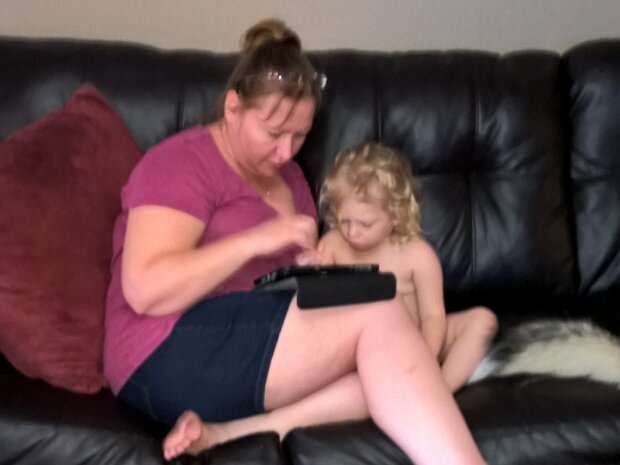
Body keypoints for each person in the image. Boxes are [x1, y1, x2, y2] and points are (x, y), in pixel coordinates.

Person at [103, 17, 491, 465]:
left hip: (249, 343)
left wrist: (312, 270)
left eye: (300, 135)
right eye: (273, 133)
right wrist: (256, 240)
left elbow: (289, 291)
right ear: (233, 108)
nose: (287, 151)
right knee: (381, 311)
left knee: (384, 368)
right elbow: (145, 290)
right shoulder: (181, 163)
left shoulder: (291, 179)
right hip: (160, 351)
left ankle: (226, 434)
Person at [315, 142, 498, 392]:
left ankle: (439, 391)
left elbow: (433, 317)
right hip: (360, 349)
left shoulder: (418, 255)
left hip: (418, 341)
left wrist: (424, 358)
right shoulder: (333, 244)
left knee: (482, 321)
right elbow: (319, 307)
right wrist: (313, 268)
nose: (352, 232)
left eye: (365, 224)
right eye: (345, 221)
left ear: (395, 215)